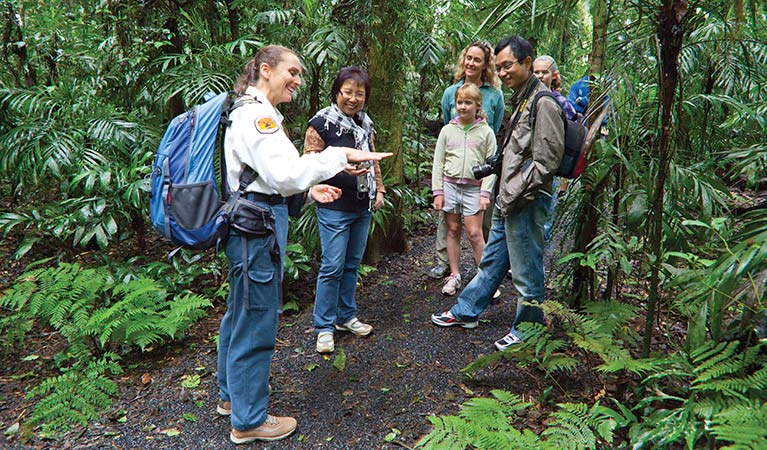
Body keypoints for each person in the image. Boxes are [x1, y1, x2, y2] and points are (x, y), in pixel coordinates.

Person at [216, 45, 391, 444]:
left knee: (239, 312)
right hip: (255, 230)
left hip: (252, 219)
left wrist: (309, 191)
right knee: (256, 319)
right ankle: (248, 420)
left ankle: (232, 397)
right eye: (291, 72)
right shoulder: (256, 115)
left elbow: (264, 177)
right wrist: (337, 156)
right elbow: (282, 174)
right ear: (265, 70)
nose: (297, 80)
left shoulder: (249, 111)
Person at [430, 36, 564, 351]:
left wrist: (513, 192)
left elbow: (546, 162)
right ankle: (466, 312)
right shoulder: (523, 97)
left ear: (527, 64)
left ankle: (528, 330)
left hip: (526, 200)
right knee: (492, 262)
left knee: (527, 268)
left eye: (508, 66)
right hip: (510, 199)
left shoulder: (543, 102)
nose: (502, 72)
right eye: (499, 67)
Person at [304, 67, 386, 354]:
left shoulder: (365, 123)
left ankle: (345, 316)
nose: (353, 99)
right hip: (334, 205)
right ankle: (324, 327)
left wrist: (381, 189)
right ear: (337, 93)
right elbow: (309, 163)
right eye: (347, 92)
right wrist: (340, 166)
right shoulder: (322, 123)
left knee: (352, 264)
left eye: (359, 94)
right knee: (332, 265)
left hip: (362, 203)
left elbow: (373, 158)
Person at [429, 40, 504, 280]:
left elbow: (497, 125)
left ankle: (487, 273)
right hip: (453, 173)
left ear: (485, 65)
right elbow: (447, 124)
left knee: (480, 226)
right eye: (468, 58)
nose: (471, 63)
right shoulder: (451, 92)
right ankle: (446, 265)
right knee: (449, 223)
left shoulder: (494, 95)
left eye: (477, 60)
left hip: (479, 170)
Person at [432, 83, 496, 296]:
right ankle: (454, 274)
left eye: (468, 102)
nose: (463, 107)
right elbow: (438, 163)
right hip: (450, 185)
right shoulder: (447, 130)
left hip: (474, 189)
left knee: (475, 233)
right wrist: (437, 192)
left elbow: (492, 166)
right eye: (459, 102)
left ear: (478, 105)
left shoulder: (486, 132)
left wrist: (485, 194)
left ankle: (486, 278)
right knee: (452, 230)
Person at [533, 55, 575, 244]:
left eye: (544, 72)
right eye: (536, 72)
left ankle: (538, 261)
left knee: (545, 215)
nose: (540, 76)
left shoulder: (560, 102)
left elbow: (571, 127)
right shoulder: (528, 98)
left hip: (550, 167)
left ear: (554, 75)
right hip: (528, 165)